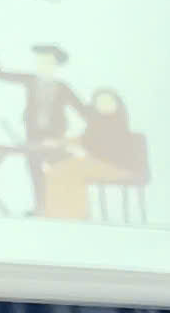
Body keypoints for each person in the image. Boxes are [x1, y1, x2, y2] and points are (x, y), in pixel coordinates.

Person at [37, 87, 142, 221]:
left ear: (117, 104)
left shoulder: (118, 125)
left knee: (72, 170)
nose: (103, 105)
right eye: (99, 102)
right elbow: (84, 140)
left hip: (119, 168)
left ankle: (76, 216)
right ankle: (56, 214)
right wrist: (60, 142)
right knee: (56, 170)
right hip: (96, 165)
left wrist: (84, 153)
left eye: (107, 101)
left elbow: (105, 149)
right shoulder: (95, 124)